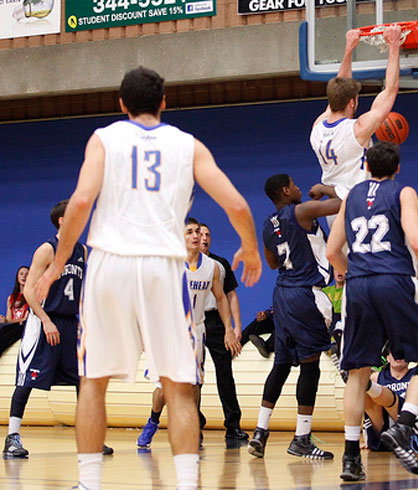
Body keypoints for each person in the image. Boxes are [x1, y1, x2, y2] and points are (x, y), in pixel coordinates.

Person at [33, 67, 261, 490]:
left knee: (93, 381)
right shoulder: (187, 145)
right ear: (164, 102)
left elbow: (81, 201)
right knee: (178, 384)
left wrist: (59, 262)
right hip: (162, 266)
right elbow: (236, 204)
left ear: (121, 104)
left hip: (109, 264)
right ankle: (188, 482)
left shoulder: (104, 138)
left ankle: (88, 483)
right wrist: (249, 245)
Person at [326, 141, 418, 481]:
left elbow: (334, 251)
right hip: (395, 280)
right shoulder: (403, 192)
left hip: (358, 286)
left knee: (357, 372)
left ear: (365, 165)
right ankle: (404, 425)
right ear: (397, 168)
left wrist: (351, 271)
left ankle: (351, 458)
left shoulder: (349, 198)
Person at [3, 201, 112, 459]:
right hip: (43, 321)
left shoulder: (82, 251)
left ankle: (89, 438)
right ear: (62, 220)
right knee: (26, 379)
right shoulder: (47, 250)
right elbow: (28, 291)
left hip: (69, 322)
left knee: (82, 380)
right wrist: (45, 320)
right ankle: (12, 438)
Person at [248, 174, 340, 460]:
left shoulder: (266, 224)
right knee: (310, 366)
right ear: (286, 191)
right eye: (296, 185)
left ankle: (260, 433)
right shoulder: (301, 210)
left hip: (282, 294)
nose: (301, 188)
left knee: (282, 365)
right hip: (304, 294)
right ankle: (301, 438)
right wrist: (323, 190)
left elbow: (273, 262)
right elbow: (341, 204)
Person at [136, 218, 238, 449]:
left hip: (196, 332)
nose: (196, 236)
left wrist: (229, 329)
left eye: (198, 232)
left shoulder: (212, 267)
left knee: (194, 384)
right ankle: (153, 421)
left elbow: (221, 298)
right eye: (190, 232)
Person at [310, 25, 401, 225]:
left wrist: (349, 48)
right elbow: (391, 90)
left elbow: (340, 85)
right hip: (361, 206)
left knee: (339, 256)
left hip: (333, 210)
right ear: (352, 103)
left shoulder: (317, 127)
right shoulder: (357, 130)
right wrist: (394, 45)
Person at [199, 223, 249, 440]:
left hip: (217, 320)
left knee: (225, 374)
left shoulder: (220, 264)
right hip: (194, 321)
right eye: (199, 234)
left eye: (207, 235)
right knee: (193, 376)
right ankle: (194, 423)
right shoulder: (181, 264)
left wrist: (235, 327)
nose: (203, 239)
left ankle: (233, 424)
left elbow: (230, 296)